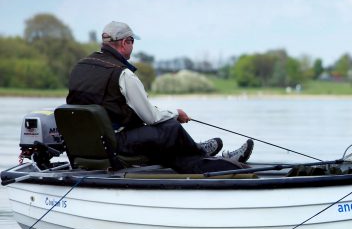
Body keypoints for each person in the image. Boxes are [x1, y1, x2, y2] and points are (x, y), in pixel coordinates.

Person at [67, 21, 253, 173]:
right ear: (125, 42)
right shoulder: (124, 74)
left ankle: (199, 151)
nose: (132, 47)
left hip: (89, 145)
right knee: (169, 127)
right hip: (116, 145)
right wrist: (176, 113)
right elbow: (151, 117)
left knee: (163, 137)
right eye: (132, 42)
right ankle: (209, 157)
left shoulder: (79, 67)